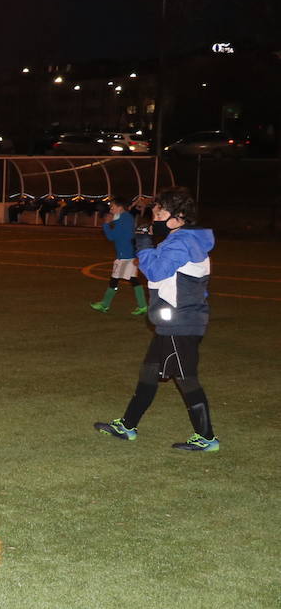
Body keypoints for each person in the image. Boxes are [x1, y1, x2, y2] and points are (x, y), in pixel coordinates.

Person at [94, 186, 218, 451]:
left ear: (179, 215)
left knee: (186, 378)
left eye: (159, 213)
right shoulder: (185, 239)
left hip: (179, 323)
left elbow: (156, 272)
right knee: (149, 372)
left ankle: (207, 438)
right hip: (177, 320)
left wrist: (144, 244)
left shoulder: (182, 241)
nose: (155, 220)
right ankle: (127, 426)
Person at [90, 194, 147, 315]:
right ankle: (143, 306)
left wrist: (106, 224)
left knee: (115, 280)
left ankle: (105, 305)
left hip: (125, 256)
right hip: (128, 254)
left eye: (113, 207)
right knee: (133, 280)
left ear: (120, 207)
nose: (111, 209)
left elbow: (111, 236)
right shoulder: (126, 217)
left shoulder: (123, 219)